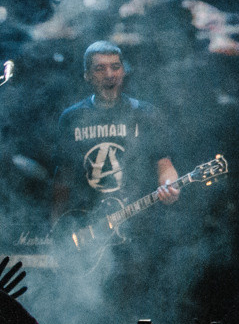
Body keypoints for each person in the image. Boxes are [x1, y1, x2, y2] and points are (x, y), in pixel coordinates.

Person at [52, 41, 180, 226]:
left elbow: (164, 163)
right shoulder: (72, 117)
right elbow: (63, 177)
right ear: (87, 75)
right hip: (88, 223)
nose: (109, 75)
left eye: (115, 67)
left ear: (123, 71)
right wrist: (56, 227)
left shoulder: (146, 114)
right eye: (100, 69)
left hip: (138, 222)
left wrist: (170, 186)